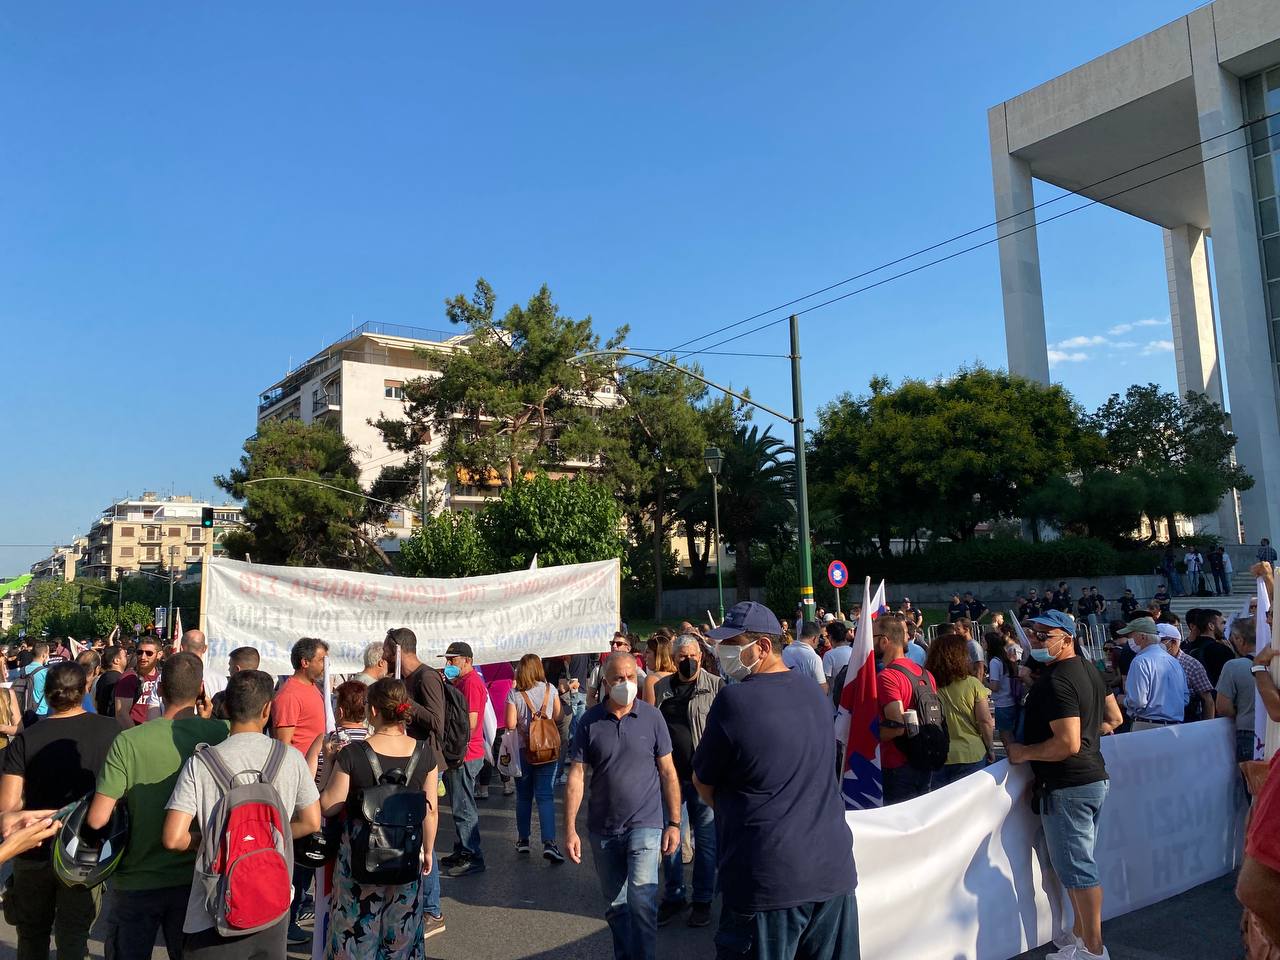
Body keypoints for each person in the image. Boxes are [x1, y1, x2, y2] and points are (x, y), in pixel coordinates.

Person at [692, 601, 859, 959]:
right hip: (832, 871)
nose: (722, 652)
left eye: (732, 644)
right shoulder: (813, 692)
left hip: (768, 879)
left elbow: (702, 781)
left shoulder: (735, 700)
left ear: (763, 647)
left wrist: (738, 810)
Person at [163, 669, 321, 960]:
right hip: (273, 902)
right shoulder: (290, 758)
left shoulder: (201, 763)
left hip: (213, 909)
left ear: (226, 707)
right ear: (267, 709)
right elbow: (311, 821)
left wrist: (210, 840)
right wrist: (268, 835)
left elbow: (173, 838)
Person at [88, 652, 228, 960]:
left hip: (137, 878)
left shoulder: (129, 741)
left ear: (160, 689)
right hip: (197, 878)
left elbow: (98, 819)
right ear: (201, 689)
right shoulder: (222, 734)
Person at [1007, 609, 1122, 960]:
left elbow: (1067, 743)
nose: (1036, 640)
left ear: (1068, 639)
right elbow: (1114, 718)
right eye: (1034, 634)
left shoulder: (1056, 681)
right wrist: (1087, 736)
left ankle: (1093, 950)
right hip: (1088, 780)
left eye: (1045, 635)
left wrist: (1024, 752)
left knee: (1078, 870)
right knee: (1074, 868)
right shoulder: (1089, 669)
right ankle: (1080, 941)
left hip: (1068, 785)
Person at [564, 651, 681, 960]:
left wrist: (674, 822)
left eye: (631, 677)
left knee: (642, 900)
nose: (626, 683)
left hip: (646, 823)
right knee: (617, 905)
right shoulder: (590, 722)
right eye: (619, 678)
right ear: (605, 682)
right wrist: (570, 829)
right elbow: (576, 775)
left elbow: (668, 772)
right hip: (603, 828)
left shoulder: (652, 718)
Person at [0, 661, 119, 960]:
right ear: (85, 689)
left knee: (31, 934)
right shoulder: (111, 730)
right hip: (85, 851)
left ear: (47, 693)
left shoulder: (27, 737)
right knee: (74, 937)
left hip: (33, 846)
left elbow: (8, 808)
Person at [318, 677, 439, 959]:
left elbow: (329, 805)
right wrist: (428, 850)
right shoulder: (424, 752)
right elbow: (431, 810)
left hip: (359, 856)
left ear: (373, 711)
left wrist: (328, 760)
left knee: (354, 932)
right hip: (406, 852)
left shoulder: (352, 754)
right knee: (400, 935)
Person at [652, 635, 722, 929]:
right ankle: (674, 896)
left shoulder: (716, 686)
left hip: (703, 778)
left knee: (706, 842)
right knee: (671, 840)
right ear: (673, 659)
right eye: (682, 656)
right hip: (671, 778)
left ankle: (703, 900)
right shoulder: (661, 688)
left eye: (693, 655)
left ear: (701, 656)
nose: (688, 660)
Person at [381, 628, 445, 932]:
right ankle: (415, 903)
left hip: (425, 764)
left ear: (397, 649)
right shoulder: (404, 678)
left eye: (386, 648)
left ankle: (433, 910)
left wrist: (406, 703)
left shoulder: (426, 677)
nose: (382, 654)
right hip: (409, 760)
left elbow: (436, 721)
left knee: (424, 829)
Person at [271, 637, 329, 944]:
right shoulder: (290, 694)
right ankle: (287, 921)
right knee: (297, 857)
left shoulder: (313, 688)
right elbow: (283, 745)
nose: (324, 665)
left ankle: (298, 907)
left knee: (308, 855)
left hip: (312, 782)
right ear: (305, 662)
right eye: (320, 660)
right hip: (296, 786)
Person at [502, 654, 564, 863]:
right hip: (548, 750)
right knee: (545, 796)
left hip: (523, 749)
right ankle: (549, 843)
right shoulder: (550, 689)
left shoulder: (514, 694)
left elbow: (510, 724)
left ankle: (523, 840)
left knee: (523, 796)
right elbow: (558, 716)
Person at [876, 618, 938, 804]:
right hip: (925, 757)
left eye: (872, 637)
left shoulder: (887, 677)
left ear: (884, 641)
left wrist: (868, 734)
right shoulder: (925, 673)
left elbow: (897, 726)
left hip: (897, 764)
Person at [440, 641, 487, 878]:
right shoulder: (461, 682)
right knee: (459, 805)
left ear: (467, 660)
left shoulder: (471, 683)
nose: (448, 663)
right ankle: (462, 849)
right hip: (461, 753)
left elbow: (471, 722)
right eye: (447, 659)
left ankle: (472, 855)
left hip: (466, 754)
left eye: (453, 659)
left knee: (464, 807)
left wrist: (454, 744)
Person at [926, 633, 995, 787]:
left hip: (938, 753)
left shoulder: (928, 684)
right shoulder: (973, 684)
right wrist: (990, 748)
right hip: (971, 752)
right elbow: (985, 721)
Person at [1116, 618, 1187, 730]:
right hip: (1175, 726)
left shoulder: (1140, 661)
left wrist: (1123, 700)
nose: (1129, 641)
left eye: (1131, 636)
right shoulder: (1174, 662)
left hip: (1147, 725)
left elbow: (1138, 701)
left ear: (1142, 637)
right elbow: (1185, 698)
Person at [1216, 618, 1260, 761]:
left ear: (1239, 639)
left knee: (1251, 774)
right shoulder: (1275, 663)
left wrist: (1242, 712)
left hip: (1248, 732)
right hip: (1274, 731)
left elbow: (1223, 707)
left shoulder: (1233, 666)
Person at [1156, 624, 1215, 723]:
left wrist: (1207, 727)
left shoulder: (1191, 665)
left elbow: (1208, 700)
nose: (1156, 645)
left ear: (1174, 642)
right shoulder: (1151, 662)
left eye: (1160, 641)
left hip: (1186, 723)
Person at [115, 638, 163, 728]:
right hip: (136, 731)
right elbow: (121, 714)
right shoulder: (128, 678)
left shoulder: (162, 677)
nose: (143, 657)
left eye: (149, 653)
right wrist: (137, 735)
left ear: (159, 655)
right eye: (139, 652)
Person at [1184, 608, 1234, 686]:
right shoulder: (1221, 650)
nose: (1225, 627)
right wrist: (1232, 653)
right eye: (1222, 623)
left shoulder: (1187, 648)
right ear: (1211, 626)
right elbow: (1232, 676)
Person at [986, 632, 1017, 741]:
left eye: (984, 641)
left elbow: (995, 687)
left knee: (1005, 737)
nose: (982, 644)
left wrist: (983, 682)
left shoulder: (994, 662)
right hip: (1010, 701)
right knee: (1011, 735)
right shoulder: (1003, 659)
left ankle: (1011, 752)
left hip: (1002, 704)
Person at [782, 621, 828, 695]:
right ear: (815, 638)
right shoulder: (814, 658)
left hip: (785, 695)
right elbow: (823, 689)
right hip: (806, 698)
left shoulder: (785, 651)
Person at [641, 635, 676, 705]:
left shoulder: (651, 680)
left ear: (658, 655)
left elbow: (648, 709)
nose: (643, 655)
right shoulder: (679, 675)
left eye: (647, 652)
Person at [95, 646, 127, 717]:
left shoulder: (102, 677)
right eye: (125, 656)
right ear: (116, 660)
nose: (127, 658)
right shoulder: (118, 679)